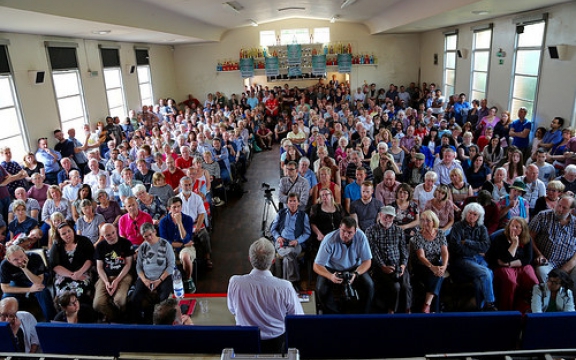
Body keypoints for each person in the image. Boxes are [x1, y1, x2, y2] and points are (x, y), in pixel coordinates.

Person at [227, 238, 303, 353]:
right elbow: (297, 318)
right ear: (273, 261)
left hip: (245, 340)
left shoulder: (235, 282)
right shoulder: (285, 287)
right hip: (276, 343)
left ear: (250, 259)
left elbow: (232, 309)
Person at [313, 217, 374, 314]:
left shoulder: (361, 236)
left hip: (354, 268)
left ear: (355, 231)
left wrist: (356, 274)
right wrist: (330, 276)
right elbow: (317, 265)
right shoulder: (329, 239)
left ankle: (363, 315)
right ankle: (334, 315)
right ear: (339, 227)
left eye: (349, 232)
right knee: (321, 289)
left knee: (369, 285)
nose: (345, 235)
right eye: (343, 231)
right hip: (332, 268)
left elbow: (367, 261)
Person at [449, 203, 497, 311]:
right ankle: (490, 303)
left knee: (479, 279)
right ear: (465, 213)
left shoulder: (482, 228)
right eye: (470, 213)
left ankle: (479, 307)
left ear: (479, 217)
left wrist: (467, 242)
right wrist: (476, 249)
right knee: (486, 273)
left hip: (479, 259)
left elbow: (485, 246)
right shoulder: (457, 226)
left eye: (475, 214)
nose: (471, 216)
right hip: (462, 259)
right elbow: (456, 248)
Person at [366, 206, 411, 314]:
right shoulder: (370, 230)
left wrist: (403, 266)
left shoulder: (399, 230)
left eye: (390, 217)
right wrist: (383, 266)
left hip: (398, 264)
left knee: (406, 286)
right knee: (395, 287)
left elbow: (404, 250)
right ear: (380, 215)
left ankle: (407, 311)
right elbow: (373, 251)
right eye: (385, 216)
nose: (387, 219)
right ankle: (391, 311)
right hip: (380, 265)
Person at [488, 217, 538, 311]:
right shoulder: (501, 238)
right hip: (501, 268)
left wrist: (509, 264)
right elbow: (504, 258)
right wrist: (514, 244)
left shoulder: (527, 239)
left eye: (517, 227)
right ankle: (507, 309)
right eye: (512, 226)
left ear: (522, 229)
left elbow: (527, 259)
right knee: (510, 282)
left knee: (532, 280)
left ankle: (528, 307)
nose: (513, 228)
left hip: (517, 265)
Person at [131, 222, 175, 324]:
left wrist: (159, 280)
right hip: (146, 277)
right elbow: (138, 267)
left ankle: (161, 322)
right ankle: (138, 323)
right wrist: (145, 280)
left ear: (154, 232)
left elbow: (171, 266)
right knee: (134, 298)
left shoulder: (165, 244)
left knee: (164, 299)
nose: (149, 238)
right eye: (146, 236)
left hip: (163, 276)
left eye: (150, 235)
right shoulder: (142, 247)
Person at [530, 196, 576, 287]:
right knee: (542, 272)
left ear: (571, 210)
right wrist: (539, 254)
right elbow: (529, 237)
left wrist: (572, 262)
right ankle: (548, 299)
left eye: (564, 208)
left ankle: (570, 300)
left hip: (568, 262)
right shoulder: (542, 216)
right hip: (547, 261)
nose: (560, 209)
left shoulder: (575, 223)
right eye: (559, 205)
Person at [0, 245, 56, 321]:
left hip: (35, 278)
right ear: (9, 260)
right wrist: (29, 289)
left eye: (21, 256)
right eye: (15, 259)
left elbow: (38, 281)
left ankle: (51, 321)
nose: (20, 261)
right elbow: (5, 288)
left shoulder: (34, 257)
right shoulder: (4, 265)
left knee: (43, 292)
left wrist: (25, 269)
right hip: (18, 282)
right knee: (6, 298)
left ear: (24, 252)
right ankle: (4, 323)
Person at [93, 224, 134, 322]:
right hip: (105, 276)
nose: (112, 236)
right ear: (103, 236)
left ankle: (120, 319)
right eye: (108, 235)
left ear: (116, 231)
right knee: (97, 304)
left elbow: (128, 264)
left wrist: (116, 281)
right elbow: (99, 267)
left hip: (123, 275)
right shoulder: (100, 246)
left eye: (113, 233)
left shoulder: (126, 243)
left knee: (119, 300)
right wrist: (106, 282)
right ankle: (117, 319)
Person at [270, 193, 311, 290]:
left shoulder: (303, 215)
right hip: (281, 242)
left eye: (294, 201)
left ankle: (285, 283)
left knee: (287, 257)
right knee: (290, 253)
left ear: (298, 203)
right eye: (290, 201)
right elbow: (273, 229)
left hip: (295, 243)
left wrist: (297, 240)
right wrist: (278, 236)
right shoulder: (281, 213)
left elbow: (307, 232)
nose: (292, 203)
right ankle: (294, 281)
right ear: (287, 203)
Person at [412, 210, 449, 313]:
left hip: (437, 263)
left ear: (434, 222)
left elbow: (444, 252)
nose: (425, 223)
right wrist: (432, 267)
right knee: (438, 276)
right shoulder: (418, 235)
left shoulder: (440, 233)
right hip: (422, 265)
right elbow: (421, 256)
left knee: (439, 273)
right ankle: (433, 309)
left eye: (428, 221)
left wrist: (444, 266)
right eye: (423, 220)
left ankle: (427, 305)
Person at [159, 197, 197, 294]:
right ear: (169, 209)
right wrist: (180, 243)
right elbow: (164, 241)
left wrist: (179, 223)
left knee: (185, 257)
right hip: (170, 247)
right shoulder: (163, 222)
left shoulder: (188, 219)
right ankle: (170, 283)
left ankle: (188, 279)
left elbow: (186, 239)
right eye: (174, 207)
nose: (177, 209)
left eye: (179, 207)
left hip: (185, 247)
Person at [49, 222, 94, 301]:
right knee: (64, 296)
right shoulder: (56, 246)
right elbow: (55, 266)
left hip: (83, 273)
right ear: (60, 236)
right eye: (63, 233)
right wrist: (72, 275)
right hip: (64, 275)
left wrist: (79, 273)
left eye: (69, 231)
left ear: (73, 230)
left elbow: (90, 259)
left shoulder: (84, 241)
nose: (67, 234)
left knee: (81, 292)